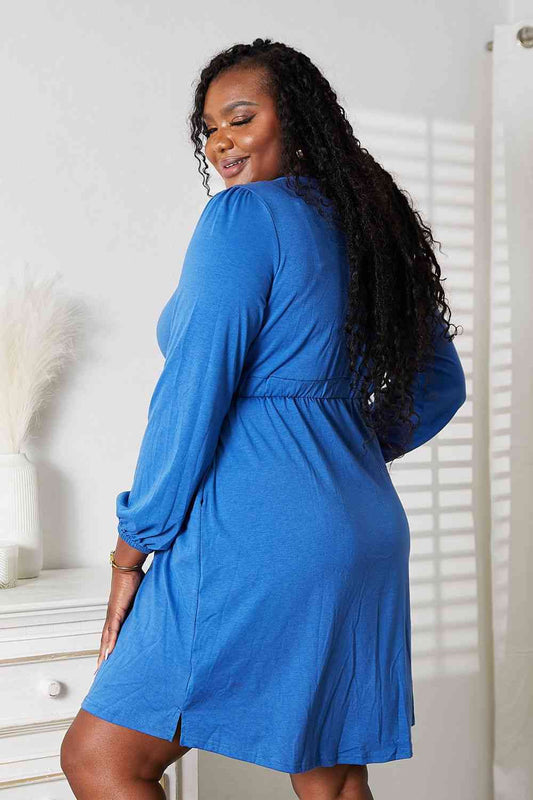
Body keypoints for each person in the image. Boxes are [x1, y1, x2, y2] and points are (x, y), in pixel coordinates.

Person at [60, 38, 466, 800]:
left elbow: (192, 397)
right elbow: (440, 385)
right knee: (330, 775)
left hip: (256, 532)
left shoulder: (242, 217)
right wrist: (338, 452)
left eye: (240, 118)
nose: (221, 141)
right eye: (210, 128)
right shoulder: (371, 229)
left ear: (298, 120)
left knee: (101, 760)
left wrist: (129, 553)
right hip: (361, 530)